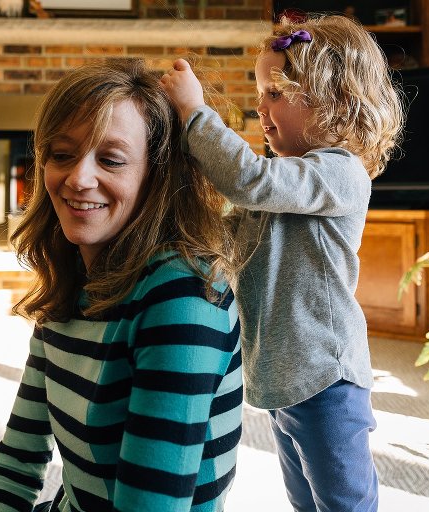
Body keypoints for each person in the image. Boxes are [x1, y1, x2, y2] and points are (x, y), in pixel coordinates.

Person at [0, 59, 242, 512]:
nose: (78, 178)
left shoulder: (184, 296)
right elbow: (17, 462)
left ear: (156, 175)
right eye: (61, 154)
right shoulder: (74, 280)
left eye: (111, 159)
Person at [160, 14, 403, 512]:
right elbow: (232, 236)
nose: (259, 105)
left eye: (274, 92)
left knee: (345, 502)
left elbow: (250, 179)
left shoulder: (342, 173)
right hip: (282, 375)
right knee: (304, 498)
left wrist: (195, 114)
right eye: (261, 92)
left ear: (332, 102)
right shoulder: (282, 187)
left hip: (326, 375)